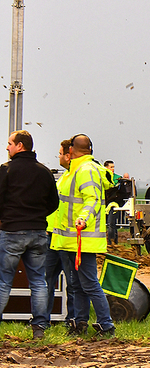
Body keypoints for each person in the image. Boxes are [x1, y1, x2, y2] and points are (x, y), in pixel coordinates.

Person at [51, 134, 115, 337]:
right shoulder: (75, 170)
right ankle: (79, 324)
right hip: (70, 240)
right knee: (77, 285)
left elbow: (93, 199)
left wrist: (83, 219)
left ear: (71, 150)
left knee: (89, 284)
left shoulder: (85, 170)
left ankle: (107, 325)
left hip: (83, 240)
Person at [0, 130, 59, 339]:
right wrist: (38, 216)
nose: (7, 147)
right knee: (38, 281)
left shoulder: (6, 170)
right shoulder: (44, 172)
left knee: (4, 281)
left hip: (12, 231)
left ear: (20, 146)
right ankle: (40, 327)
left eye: (9, 143)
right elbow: (54, 203)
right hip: (38, 233)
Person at [45, 139, 76, 330]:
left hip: (69, 238)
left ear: (68, 154)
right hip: (53, 236)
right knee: (45, 280)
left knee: (72, 283)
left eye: (59, 153)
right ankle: (42, 319)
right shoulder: (64, 176)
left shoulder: (77, 176)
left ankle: (73, 321)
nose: (58, 156)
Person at [103, 160, 121, 245]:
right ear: (106, 168)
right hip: (103, 204)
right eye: (111, 167)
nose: (113, 169)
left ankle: (112, 242)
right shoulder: (102, 177)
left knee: (111, 223)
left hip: (113, 204)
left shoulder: (117, 178)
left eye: (113, 167)